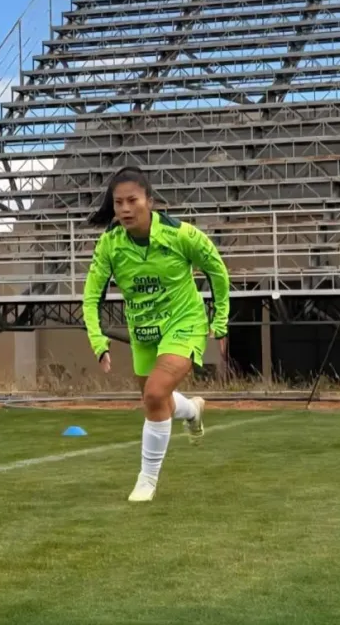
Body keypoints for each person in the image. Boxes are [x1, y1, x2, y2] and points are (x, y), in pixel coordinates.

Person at [82, 167, 230, 502]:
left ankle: (146, 481)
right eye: (118, 202)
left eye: (132, 200)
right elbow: (91, 295)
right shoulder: (109, 244)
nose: (124, 209)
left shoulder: (182, 236)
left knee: (155, 392)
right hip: (143, 332)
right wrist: (98, 340)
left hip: (184, 322)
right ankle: (192, 410)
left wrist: (219, 321)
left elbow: (217, 270)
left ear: (150, 201)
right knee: (155, 400)